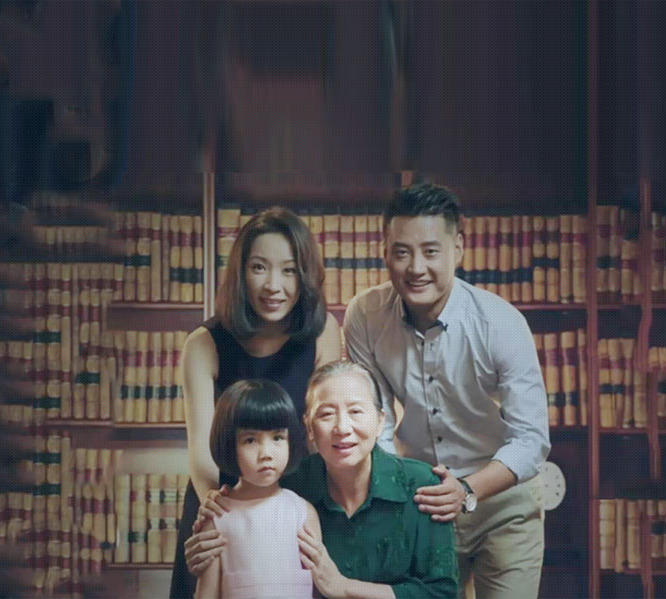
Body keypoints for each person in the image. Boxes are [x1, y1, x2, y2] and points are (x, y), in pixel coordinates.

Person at [343, 182, 550, 599]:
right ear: (384, 252)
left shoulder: (501, 323)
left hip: (502, 501)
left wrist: (468, 489)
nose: (416, 268)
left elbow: (531, 439)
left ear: (458, 249)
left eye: (430, 251)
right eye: (402, 252)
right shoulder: (365, 317)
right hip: (422, 500)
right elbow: (375, 421)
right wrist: (396, 492)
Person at [170, 207, 342, 598]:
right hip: (222, 500)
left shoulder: (323, 332)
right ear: (240, 272)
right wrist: (217, 514)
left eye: (289, 270)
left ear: (305, 276)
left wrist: (299, 511)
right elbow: (202, 453)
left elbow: (321, 436)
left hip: (293, 501)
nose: (273, 286)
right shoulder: (203, 343)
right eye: (259, 268)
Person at [194, 360, 459, 598]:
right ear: (309, 427)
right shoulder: (290, 483)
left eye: (356, 411)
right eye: (326, 414)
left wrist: (343, 587)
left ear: (380, 422)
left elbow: (441, 592)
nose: (342, 428)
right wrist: (212, 524)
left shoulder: (421, 485)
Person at [195, 378, 320, 599]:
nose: (266, 454)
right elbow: (207, 594)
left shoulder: (302, 513)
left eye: (277, 438)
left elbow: (319, 585)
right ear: (228, 444)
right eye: (250, 440)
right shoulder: (217, 517)